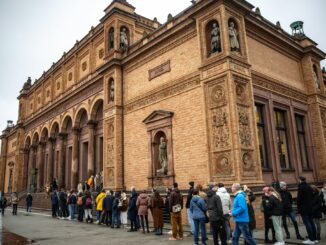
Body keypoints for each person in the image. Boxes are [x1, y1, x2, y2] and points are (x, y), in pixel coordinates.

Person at [297, 176, 317, 244]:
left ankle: (311, 239)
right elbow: (312, 197)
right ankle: (315, 238)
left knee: (307, 223)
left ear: (300, 180)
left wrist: (298, 207)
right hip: (310, 208)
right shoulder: (309, 187)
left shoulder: (301, 187)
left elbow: (299, 199)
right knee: (312, 222)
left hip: (304, 208)